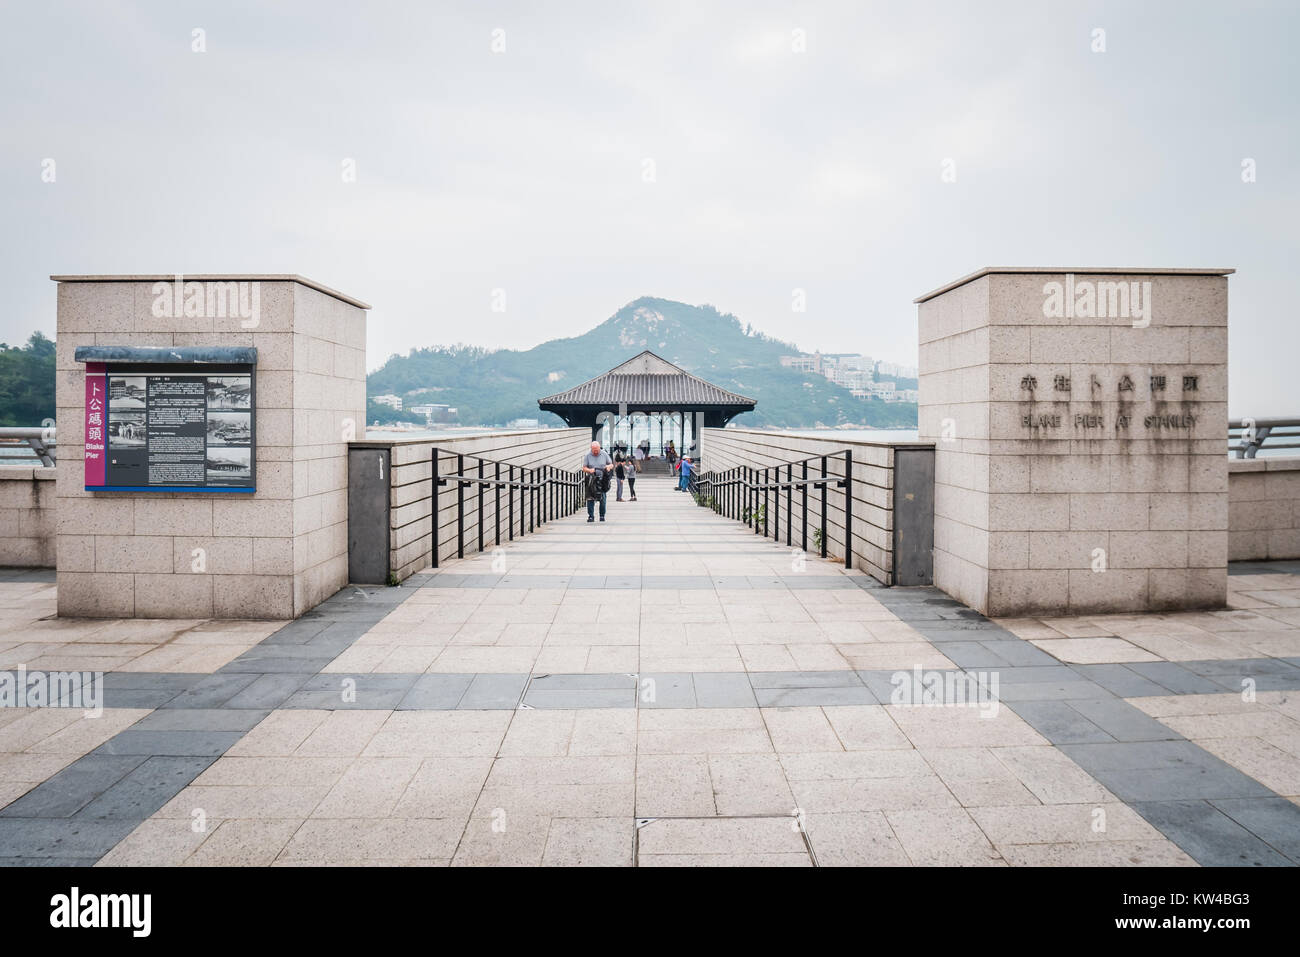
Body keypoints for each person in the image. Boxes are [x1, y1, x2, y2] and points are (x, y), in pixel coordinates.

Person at [582, 440, 614, 522]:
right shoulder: (587, 455)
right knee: (590, 498)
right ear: (591, 449)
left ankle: (602, 515)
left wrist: (608, 467)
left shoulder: (604, 454)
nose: (596, 452)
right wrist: (590, 470)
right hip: (592, 479)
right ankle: (591, 516)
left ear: (599, 448)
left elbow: (611, 464)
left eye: (597, 450)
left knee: (602, 498)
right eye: (594, 450)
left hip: (602, 479)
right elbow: (584, 468)